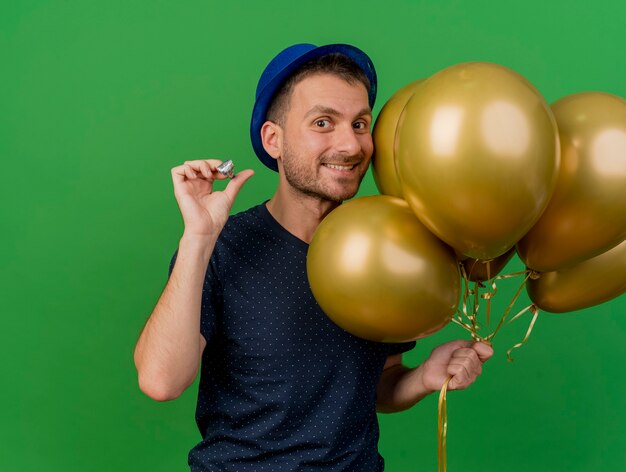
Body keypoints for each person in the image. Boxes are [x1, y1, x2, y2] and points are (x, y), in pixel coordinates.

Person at [133, 43, 494, 471]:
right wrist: (198, 238)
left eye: (360, 124)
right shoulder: (222, 245)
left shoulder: (388, 249)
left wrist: (424, 379)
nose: (350, 144)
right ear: (274, 140)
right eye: (323, 122)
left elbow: (379, 384)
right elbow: (161, 381)